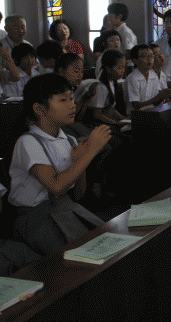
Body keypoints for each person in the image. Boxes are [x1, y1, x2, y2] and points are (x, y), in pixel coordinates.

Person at [7, 74, 111, 256]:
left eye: (71, 98)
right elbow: (56, 186)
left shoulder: (69, 140)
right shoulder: (28, 142)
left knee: (107, 243)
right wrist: (90, 152)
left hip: (65, 208)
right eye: (63, 100)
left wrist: (79, 161)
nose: (72, 105)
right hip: (35, 217)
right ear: (39, 109)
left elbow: (78, 194)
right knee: (80, 258)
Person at [126, 44, 171, 114]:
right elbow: (136, 106)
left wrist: (163, 96)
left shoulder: (153, 75)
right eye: (145, 56)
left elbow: (156, 102)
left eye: (151, 56)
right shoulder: (132, 78)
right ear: (135, 60)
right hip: (137, 115)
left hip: (153, 111)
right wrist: (158, 97)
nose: (149, 59)